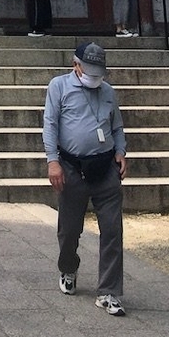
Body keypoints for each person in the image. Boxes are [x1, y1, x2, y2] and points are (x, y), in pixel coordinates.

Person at [43, 41, 128, 316]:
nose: (94, 76)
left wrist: (121, 152)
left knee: (113, 230)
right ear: (75, 65)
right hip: (71, 166)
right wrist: (52, 161)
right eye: (88, 69)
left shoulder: (108, 92)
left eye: (98, 71)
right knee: (69, 230)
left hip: (105, 168)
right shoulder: (59, 87)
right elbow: (51, 123)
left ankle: (109, 292)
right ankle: (68, 268)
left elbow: (116, 126)